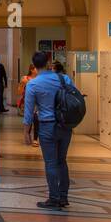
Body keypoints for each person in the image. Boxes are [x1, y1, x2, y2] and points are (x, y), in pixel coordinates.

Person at [23, 50, 72, 210]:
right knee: (62, 161)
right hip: (65, 125)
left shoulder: (33, 84)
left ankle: (54, 198)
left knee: (50, 163)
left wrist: (26, 131)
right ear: (48, 62)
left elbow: (29, 110)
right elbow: (72, 99)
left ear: (34, 65)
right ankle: (63, 196)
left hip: (47, 125)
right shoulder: (64, 79)